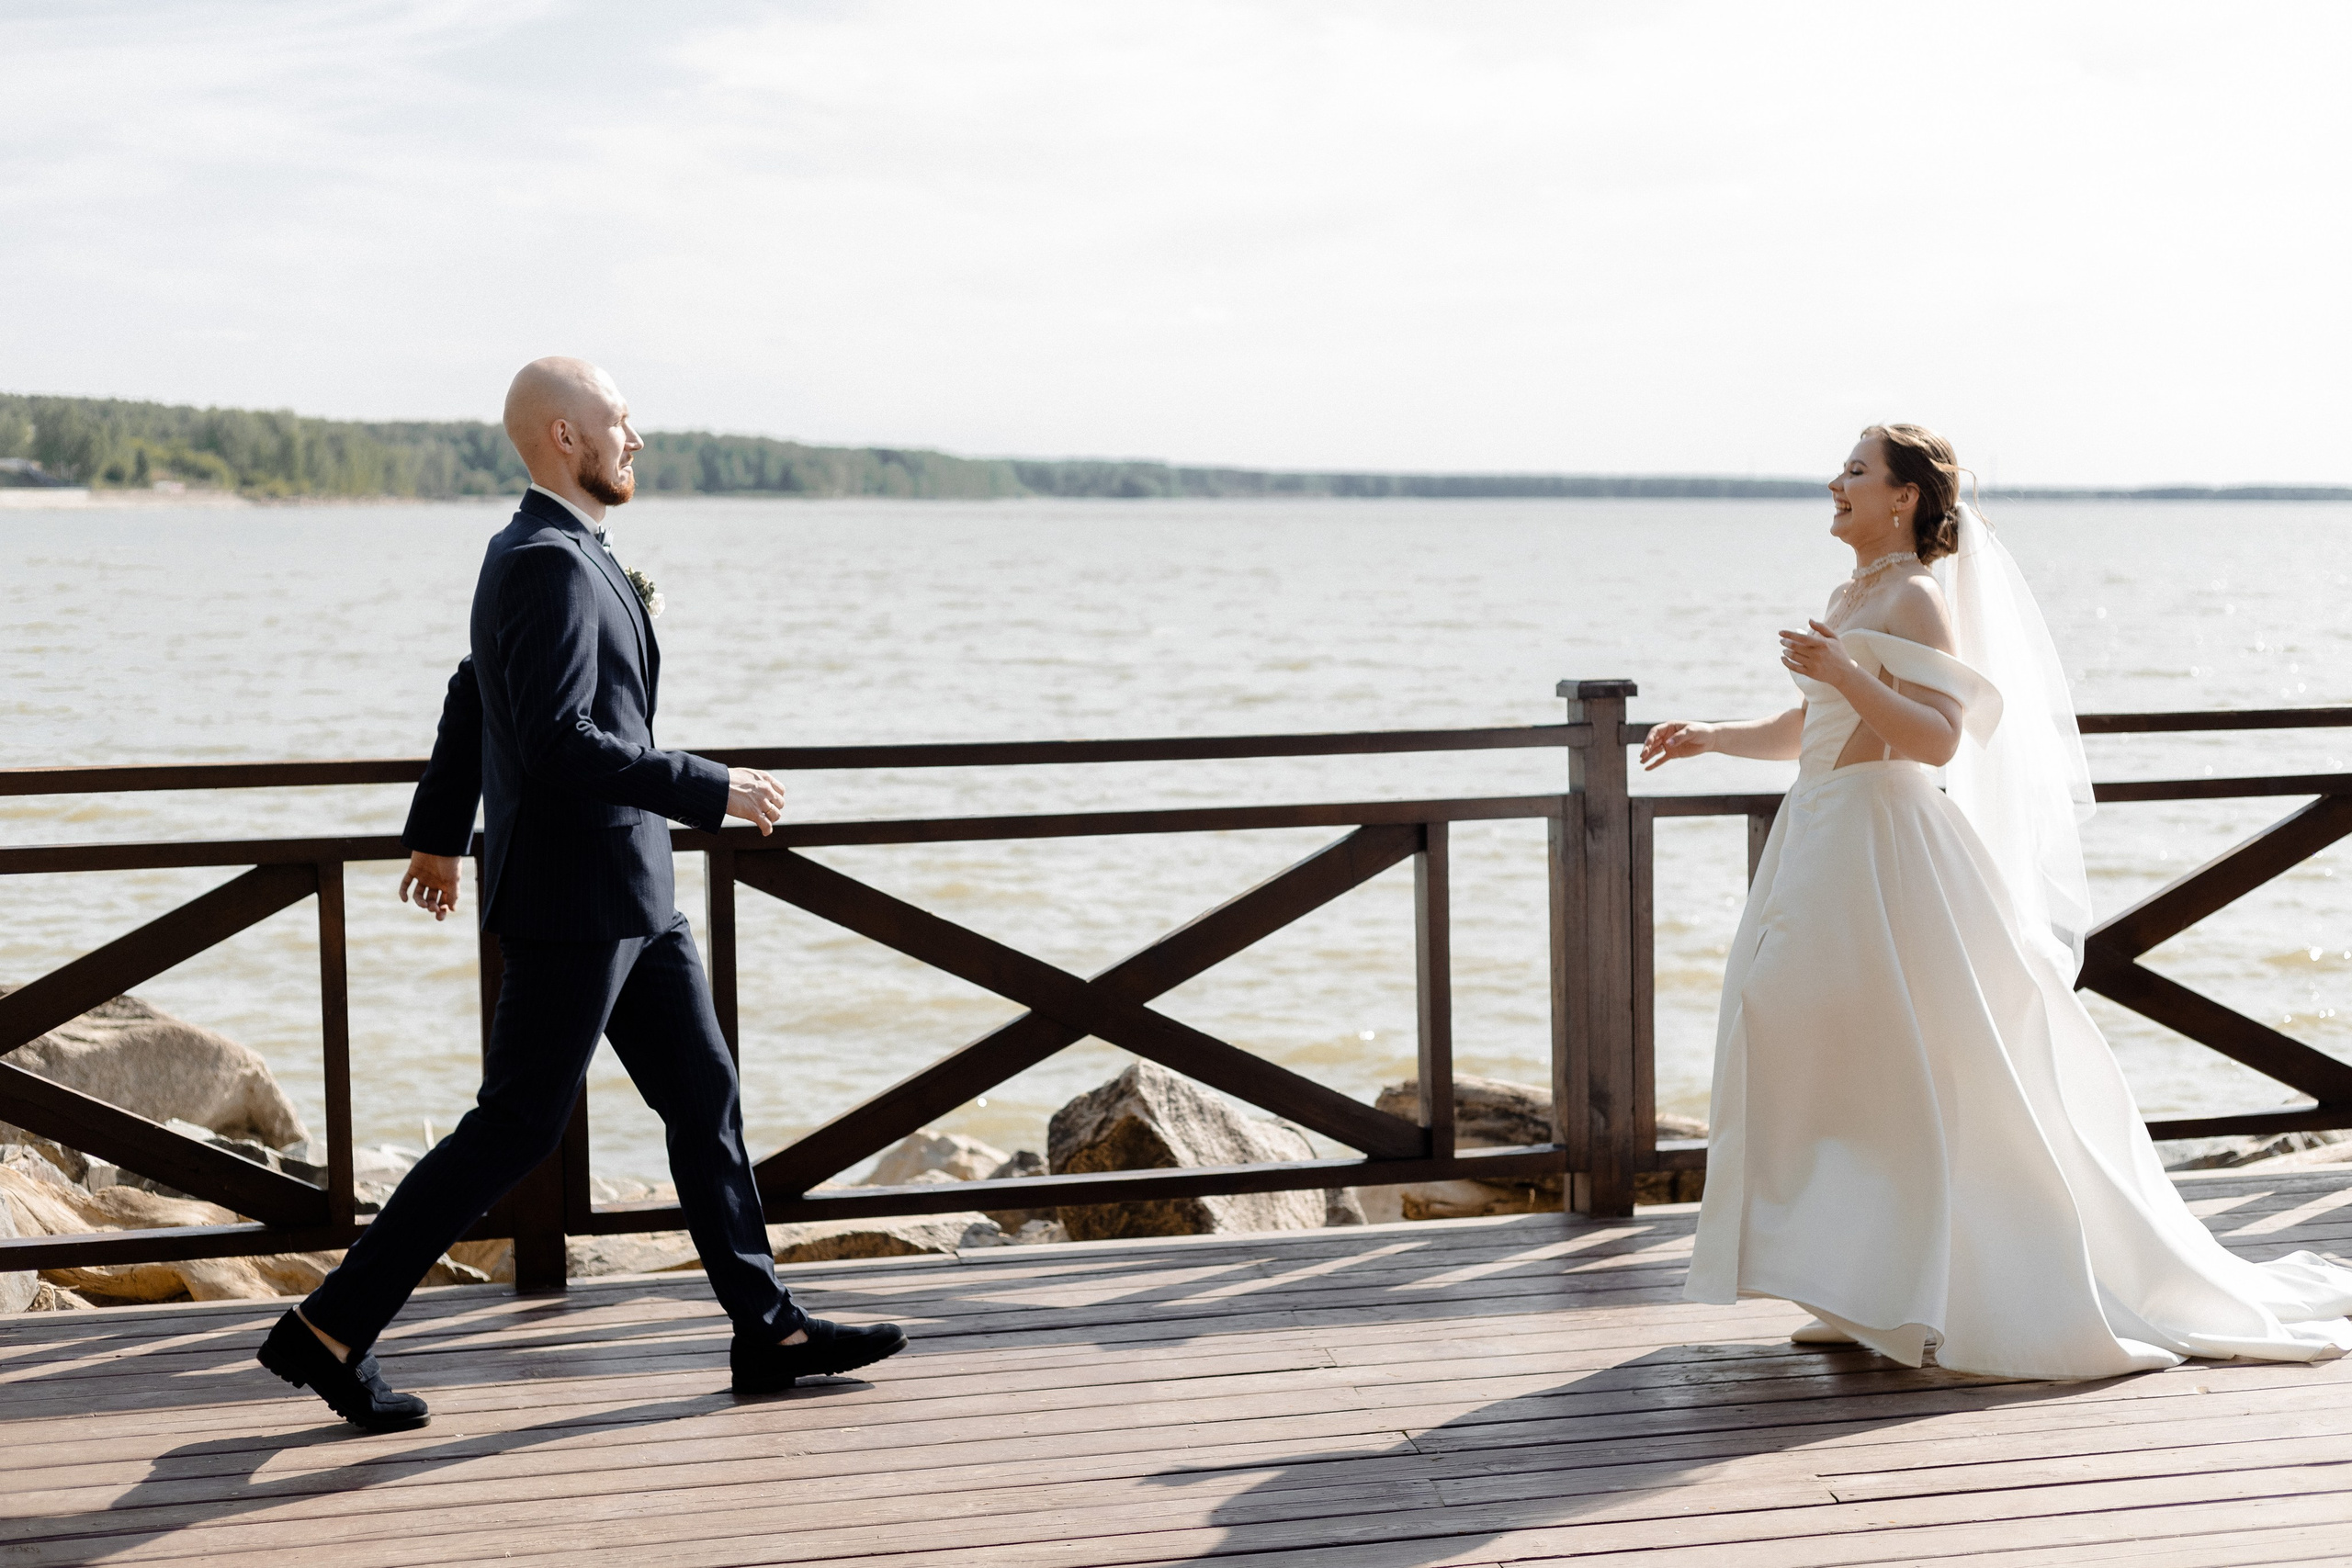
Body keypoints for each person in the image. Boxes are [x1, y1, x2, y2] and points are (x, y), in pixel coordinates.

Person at [256, 357, 906, 1430]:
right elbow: (555, 740)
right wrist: (713, 785)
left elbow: (475, 699)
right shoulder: (544, 563)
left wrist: (436, 838)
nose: (635, 438)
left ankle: (769, 1328)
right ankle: (328, 1330)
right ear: (566, 436)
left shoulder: (545, 552)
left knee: (703, 1099)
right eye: (621, 420)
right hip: (575, 898)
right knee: (513, 1130)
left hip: (632, 892)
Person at [1641, 423, 2352, 1379]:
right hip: (1821, 838)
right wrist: (1712, 736)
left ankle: (1950, 1289)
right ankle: (1865, 1282)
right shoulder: (1853, 592)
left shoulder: (1918, 596)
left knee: (1902, 1058)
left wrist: (1845, 670)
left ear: (1902, 497)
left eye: (1855, 471)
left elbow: (1938, 739)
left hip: (1884, 845)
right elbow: (1817, 723)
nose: (1834, 483)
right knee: (1809, 1041)